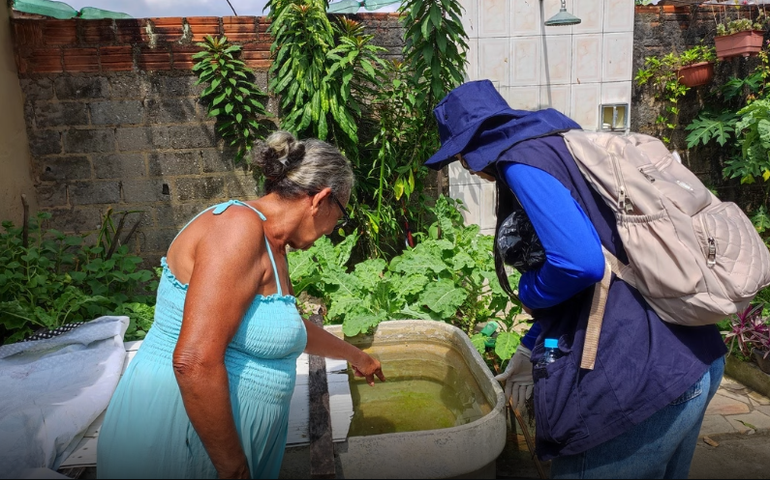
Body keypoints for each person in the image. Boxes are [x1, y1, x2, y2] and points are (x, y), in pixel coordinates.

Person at [424, 79, 727, 479]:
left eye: (462, 157)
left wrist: (529, 290)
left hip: (643, 379)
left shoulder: (519, 161)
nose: (469, 168)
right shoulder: (565, 147)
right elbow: (596, 278)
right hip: (692, 358)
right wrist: (532, 347)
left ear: (471, 150)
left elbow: (581, 264)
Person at [97, 130, 386, 479]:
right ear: (320, 199)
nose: (334, 228)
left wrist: (357, 356)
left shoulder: (272, 244)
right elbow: (194, 362)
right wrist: (233, 469)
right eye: (340, 213)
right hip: (182, 438)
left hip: (217, 447)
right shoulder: (237, 229)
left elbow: (281, 329)